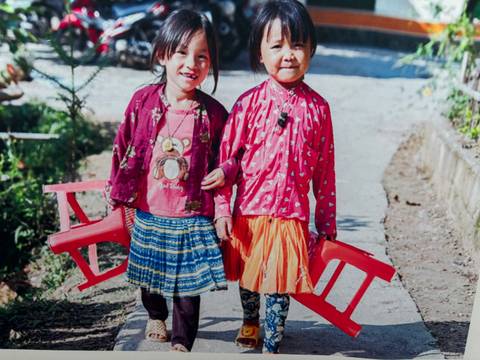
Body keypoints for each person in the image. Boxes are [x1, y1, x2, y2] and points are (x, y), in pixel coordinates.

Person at [211, 0, 337, 354]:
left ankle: (274, 338)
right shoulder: (247, 104)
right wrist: (222, 209)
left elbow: (325, 171)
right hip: (249, 212)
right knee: (249, 278)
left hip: (290, 215)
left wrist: (326, 222)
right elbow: (226, 163)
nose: (289, 55)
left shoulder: (318, 109)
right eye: (277, 45)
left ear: (311, 49)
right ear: (260, 52)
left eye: (297, 44)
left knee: (280, 283)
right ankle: (250, 320)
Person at [106, 9, 234, 353]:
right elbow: (123, 145)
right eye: (181, 53)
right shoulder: (143, 102)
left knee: (188, 286)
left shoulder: (216, 115)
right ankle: (155, 315)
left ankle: (181, 341)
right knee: (150, 276)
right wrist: (116, 192)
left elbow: (225, 167)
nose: (191, 63)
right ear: (162, 54)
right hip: (149, 210)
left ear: (211, 63)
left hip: (192, 217)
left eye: (201, 56)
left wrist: (223, 210)